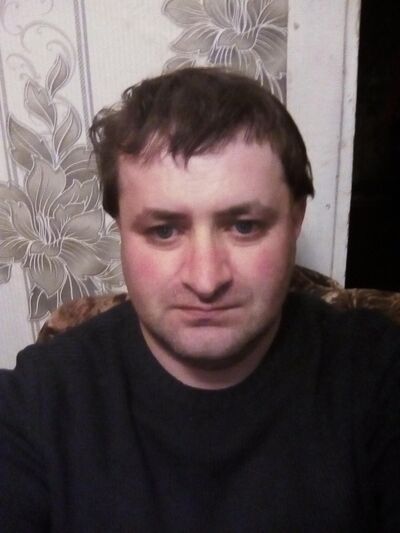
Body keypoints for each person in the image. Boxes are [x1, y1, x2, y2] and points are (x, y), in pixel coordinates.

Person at [0, 67, 399, 532]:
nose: (206, 280)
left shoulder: (378, 376)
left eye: (244, 226)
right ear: (121, 231)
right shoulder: (38, 404)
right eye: (164, 231)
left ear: (295, 221)